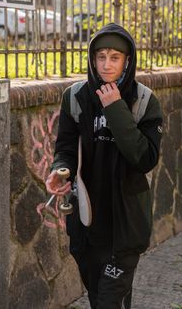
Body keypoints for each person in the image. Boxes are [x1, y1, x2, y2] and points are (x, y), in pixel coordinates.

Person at [46, 22, 163, 309]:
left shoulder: (144, 101)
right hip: (87, 221)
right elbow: (66, 149)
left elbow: (145, 158)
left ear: (127, 61)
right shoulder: (75, 98)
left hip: (125, 223)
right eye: (101, 57)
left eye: (114, 57)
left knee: (108, 301)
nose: (106, 64)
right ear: (92, 58)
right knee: (101, 297)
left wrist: (115, 108)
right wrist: (60, 170)